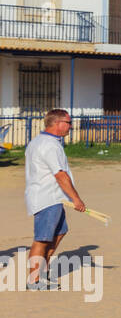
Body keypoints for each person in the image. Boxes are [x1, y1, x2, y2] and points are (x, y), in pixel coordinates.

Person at [25, 109, 87, 290]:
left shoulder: (45, 142)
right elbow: (60, 174)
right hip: (47, 198)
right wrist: (76, 199)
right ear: (57, 123)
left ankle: (41, 272)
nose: (70, 126)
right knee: (42, 239)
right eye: (68, 123)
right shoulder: (49, 145)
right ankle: (34, 280)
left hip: (54, 198)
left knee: (60, 232)